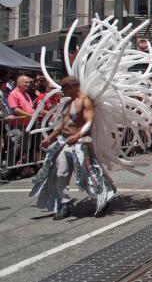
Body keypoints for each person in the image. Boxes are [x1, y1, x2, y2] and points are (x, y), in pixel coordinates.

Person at [31, 76, 116, 219]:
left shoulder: (85, 101)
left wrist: (78, 134)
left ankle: (101, 196)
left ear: (72, 87)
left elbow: (89, 121)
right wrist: (49, 138)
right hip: (64, 142)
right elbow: (62, 125)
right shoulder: (67, 103)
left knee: (88, 173)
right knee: (61, 173)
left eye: (63, 86)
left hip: (81, 143)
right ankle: (65, 204)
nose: (61, 89)